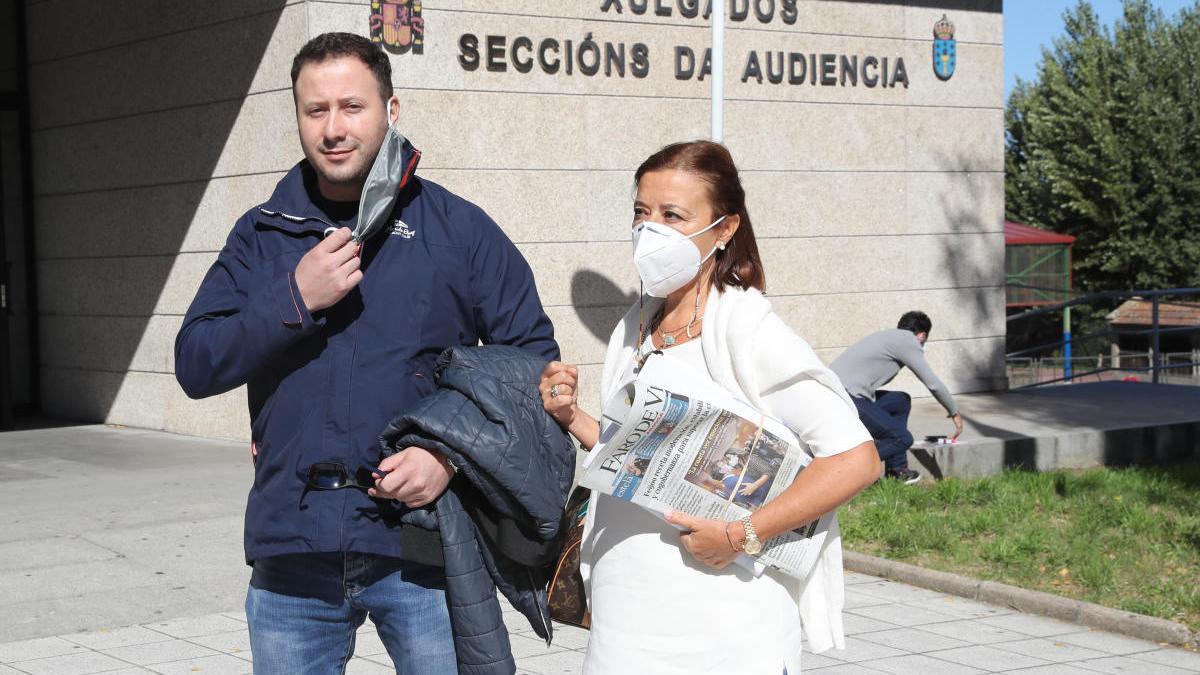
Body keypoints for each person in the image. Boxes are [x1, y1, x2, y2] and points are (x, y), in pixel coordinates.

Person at [173, 33, 557, 674]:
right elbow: (195, 362)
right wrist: (293, 296)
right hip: (293, 546)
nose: (332, 129)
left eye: (351, 107)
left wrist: (448, 457)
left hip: (423, 538)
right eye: (314, 110)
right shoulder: (263, 233)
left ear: (391, 109)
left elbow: (532, 363)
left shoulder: (456, 229)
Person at [538, 141, 880, 673]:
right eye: (641, 212)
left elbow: (856, 459)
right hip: (624, 609)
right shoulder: (636, 325)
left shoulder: (750, 330)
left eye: (673, 215)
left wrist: (742, 535)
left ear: (723, 230)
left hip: (724, 618)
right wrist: (573, 418)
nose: (650, 230)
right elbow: (637, 455)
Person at [830, 311, 963, 485]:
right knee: (901, 439)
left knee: (900, 401)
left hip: (838, 393)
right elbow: (933, 383)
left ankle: (897, 469)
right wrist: (954, 411)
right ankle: (847, 471)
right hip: (845, 397)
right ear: (922, 336)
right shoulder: (908, 341)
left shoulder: (890, 336)